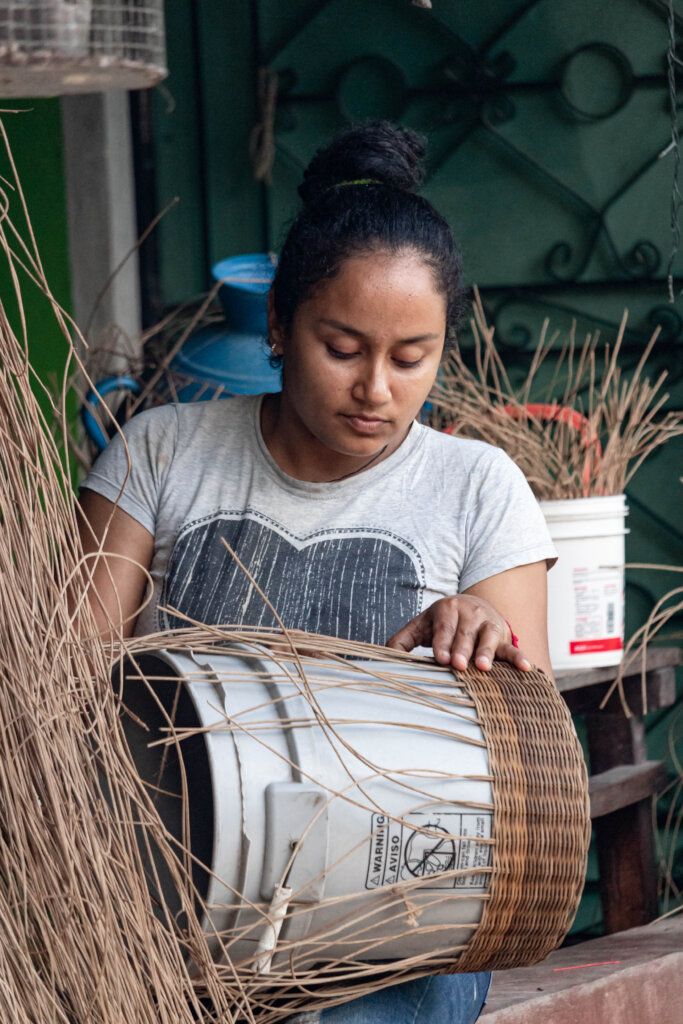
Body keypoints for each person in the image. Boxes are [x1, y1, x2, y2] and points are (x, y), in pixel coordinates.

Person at [78, 121, 556, 1024]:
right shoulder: (163, 455)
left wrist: (480, 636)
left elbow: (512, 780)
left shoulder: (475, 486)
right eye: (342, 348)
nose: (376, 387)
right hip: (178, 896)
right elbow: (69, 679)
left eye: (410, 358)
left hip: (388, 920)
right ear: (276, 326)